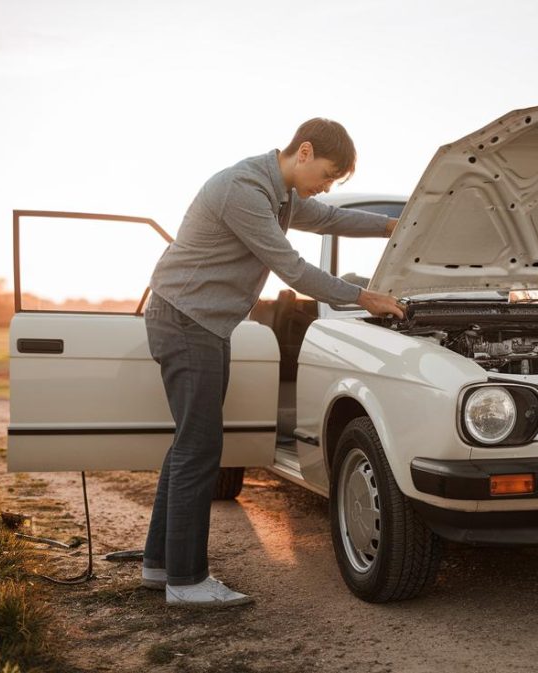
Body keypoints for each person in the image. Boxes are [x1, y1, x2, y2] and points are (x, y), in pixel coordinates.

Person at [140, 118, 405, 608]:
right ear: (304, 151)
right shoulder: (245, 190)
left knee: (189, 445)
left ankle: (161, 566)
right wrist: (363, 297)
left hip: (202, 322)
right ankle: (188, 581)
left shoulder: (277, 190)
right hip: (186, 320)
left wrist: (391, 226)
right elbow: (293, 269)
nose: (326, 187)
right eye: (327, 174)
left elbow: (328, 219)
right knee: (199, 447)